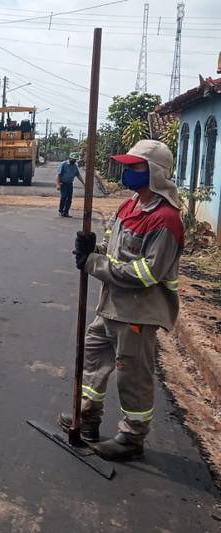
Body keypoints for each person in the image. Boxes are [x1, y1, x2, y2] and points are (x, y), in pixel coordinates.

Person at [61, 139, 184, 460]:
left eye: (135, 167)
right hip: (111, 307)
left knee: (132, 374)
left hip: (139, 314)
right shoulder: (128, 206)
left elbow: (146, 273)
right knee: (92, 357)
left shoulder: (166, 219)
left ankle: (132, 438)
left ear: (155, 172)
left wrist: (93, 263)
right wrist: (92, 249)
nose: (128, 171)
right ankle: (87, 417)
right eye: (127, 166)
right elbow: (114, 251)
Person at [56, 153, 85, 217]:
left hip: (70, 184)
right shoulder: (63, 164)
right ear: (69, 158)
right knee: (63, 197)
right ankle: (61, 211)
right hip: (63, 183)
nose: (74, 161)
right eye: (73, 159)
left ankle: (66, 212)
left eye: (75, 160)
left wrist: (83, 183)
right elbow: (58, 175)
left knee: (69, 199)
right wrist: (58, 184)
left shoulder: (74, 166)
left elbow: (78, 175)